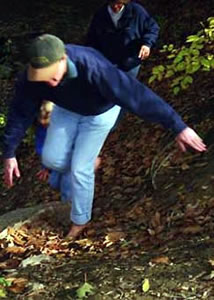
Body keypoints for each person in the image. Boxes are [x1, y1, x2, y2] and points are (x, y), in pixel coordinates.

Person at [3, 34, 206, 239]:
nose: (51, 82)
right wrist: (9, 152)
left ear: (63, 59)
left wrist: (178, 126)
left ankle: (80, 221)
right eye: (43, 77)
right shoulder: (30, 78)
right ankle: (90, 162)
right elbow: (20, 112)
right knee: (51, 158)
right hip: (66, 111)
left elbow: (136, 95)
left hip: (100, 112)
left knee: (80, 168)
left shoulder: (93, 66)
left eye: (52, 74)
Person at [86, 0, 160, 128]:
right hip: (109, 62)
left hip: (130, 61)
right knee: (108, 89)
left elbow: (152, 28)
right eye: (114, 4)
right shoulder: (100, 15)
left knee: (124, 92)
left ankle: (114, 124)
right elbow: (92, 40)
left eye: (120, 4)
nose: (116, 7)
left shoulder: (136, 11)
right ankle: (101, 119)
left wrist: (147, 44)